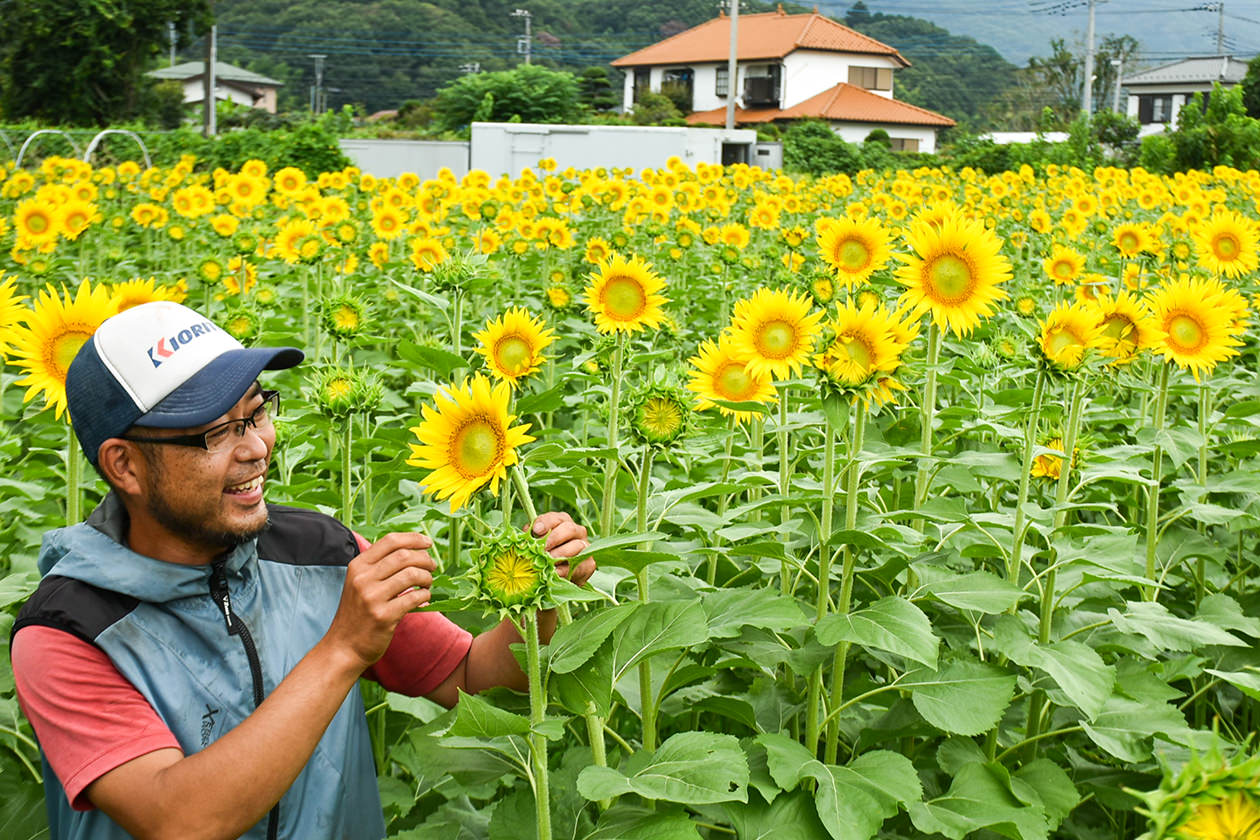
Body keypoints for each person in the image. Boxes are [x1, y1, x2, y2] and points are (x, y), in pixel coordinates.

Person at [10, 300, 592, 840]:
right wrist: (344, 647)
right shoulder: (69, 632)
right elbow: (178, 818)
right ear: (125, 465)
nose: (258, 447)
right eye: (218, 431)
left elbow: (469, 675)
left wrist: (541, 599)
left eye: (257, 412)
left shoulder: (320, 551)